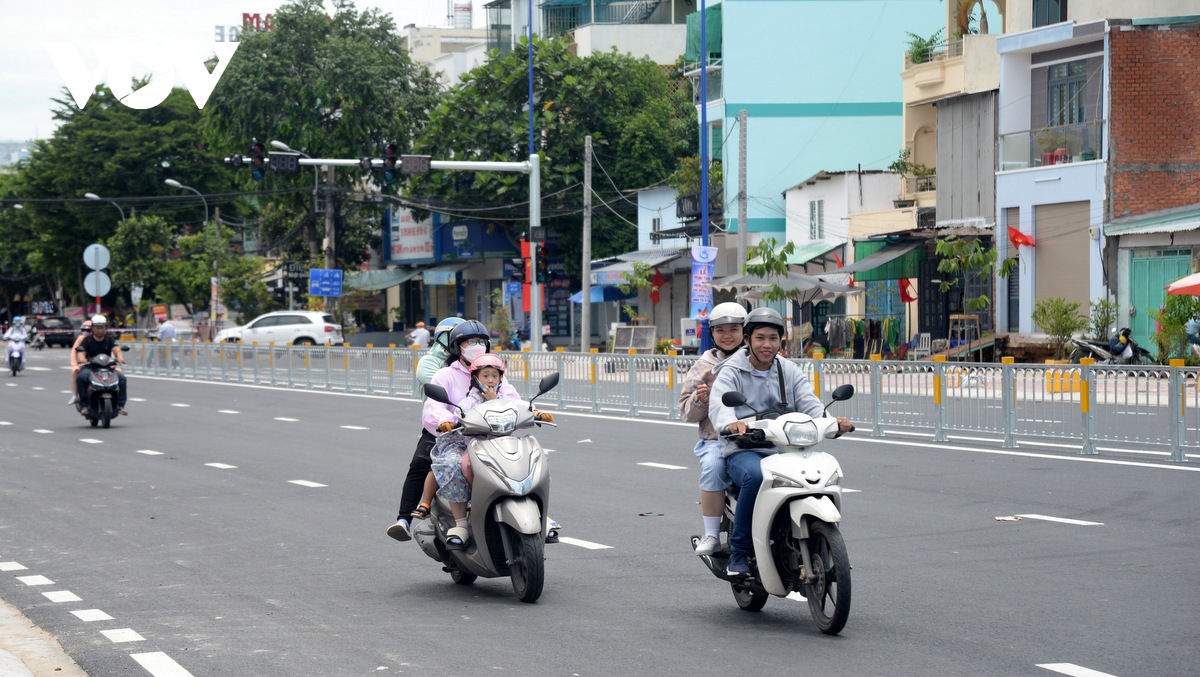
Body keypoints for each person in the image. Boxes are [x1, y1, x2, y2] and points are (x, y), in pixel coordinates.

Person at [709, 307, 853, 577]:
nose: (767, 345)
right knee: (754, 476)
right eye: (760, 338)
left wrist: (832, 422)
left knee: (818, 475)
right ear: (748, 339)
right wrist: (732, 424)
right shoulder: (730, 371)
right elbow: (720, 406)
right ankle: (739, 552)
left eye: (773, 338)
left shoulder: (788, 369)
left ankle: (821, 545)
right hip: (745, 449)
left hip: (786, 448)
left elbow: (811, 404)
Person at [421, 321, 552, 549]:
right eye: (470, 342)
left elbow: (515, 402)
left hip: (498, 438)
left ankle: (543, 514)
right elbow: (437, 407)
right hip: (463, 440)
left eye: (481, 342)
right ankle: (461, 523)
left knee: (536, 457)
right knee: (453, 463)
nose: (476, 346)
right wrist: (444, 420)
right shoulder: (448, 377)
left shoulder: (500, 386)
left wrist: (536, 412)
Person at [387, 317, 466, 541]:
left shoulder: (471, 362)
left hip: (475, 426)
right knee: (421, 464)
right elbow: (441, 386)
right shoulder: (430, 363)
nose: (464, 344)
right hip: (440, 426)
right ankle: (404, 519)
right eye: (459, 338)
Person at [678, 302, 747, 556]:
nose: (727, 335)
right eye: (720, 330)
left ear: (744, 331)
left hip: (757, 437)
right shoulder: (703, 366)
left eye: (734, 329)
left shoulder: (760, 360)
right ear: (712, 333)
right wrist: (700, 399)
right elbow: (685, 411)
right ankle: (711, 534)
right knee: (715, 467)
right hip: (716, 440)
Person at [74, 315, 128, 415]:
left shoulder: (109, 339)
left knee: (122, 378)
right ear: (92, 329)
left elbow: (116, 349)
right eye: (97, 328)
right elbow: (81, 352)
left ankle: (121, 405)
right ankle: (84, 405)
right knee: (81, 377)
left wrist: (120, 359)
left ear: (106, 328)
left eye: (102, 328)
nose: (100, 330)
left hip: (107, 368)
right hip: (91, 368)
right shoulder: (87, 340)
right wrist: (83, 360)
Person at [67, 320, 92, 404]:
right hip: (84, 364)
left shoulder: (101, 338)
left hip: (99, 363)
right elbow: (74, 352)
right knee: (75, 373)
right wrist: (75, 365)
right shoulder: (81, 339)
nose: (86, 332)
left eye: (88, 330)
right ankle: (75, 396)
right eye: (83, 330)